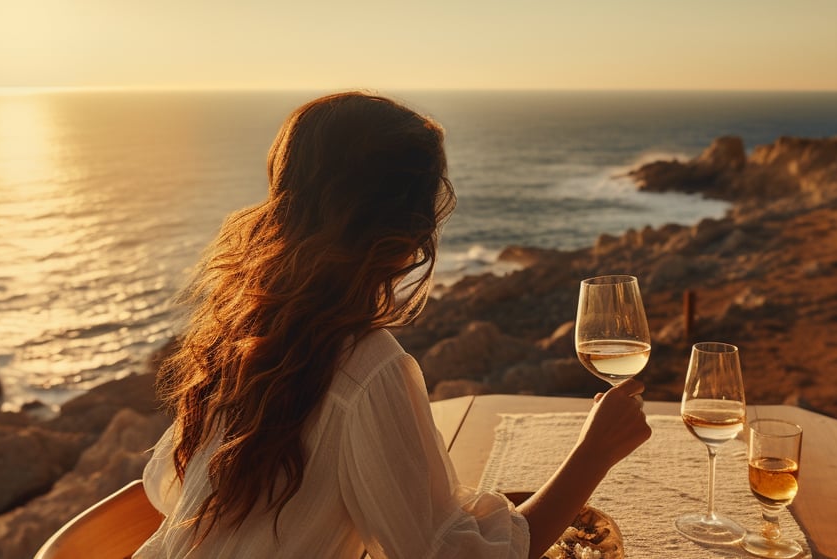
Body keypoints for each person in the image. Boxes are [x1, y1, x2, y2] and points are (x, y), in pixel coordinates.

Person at [134, 92, 651, 558]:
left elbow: (167, 487)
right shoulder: (366, 367)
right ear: (412, 232)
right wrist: (594, 453)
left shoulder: (244, 333)